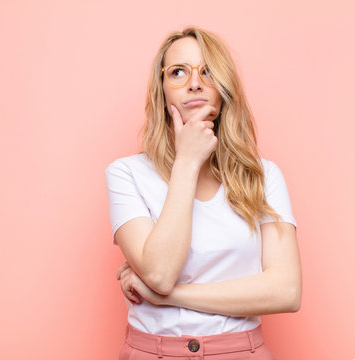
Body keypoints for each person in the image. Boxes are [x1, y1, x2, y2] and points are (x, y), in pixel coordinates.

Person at [104, 26, 301, 360]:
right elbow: (159, 273)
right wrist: (187, 162)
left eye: (207, 72)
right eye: (178, 72)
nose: (194, 83)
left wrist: (171, 297)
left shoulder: (264, 175)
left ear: (224, 89)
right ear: (161, 89)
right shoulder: (126, 173)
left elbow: (286, 291)